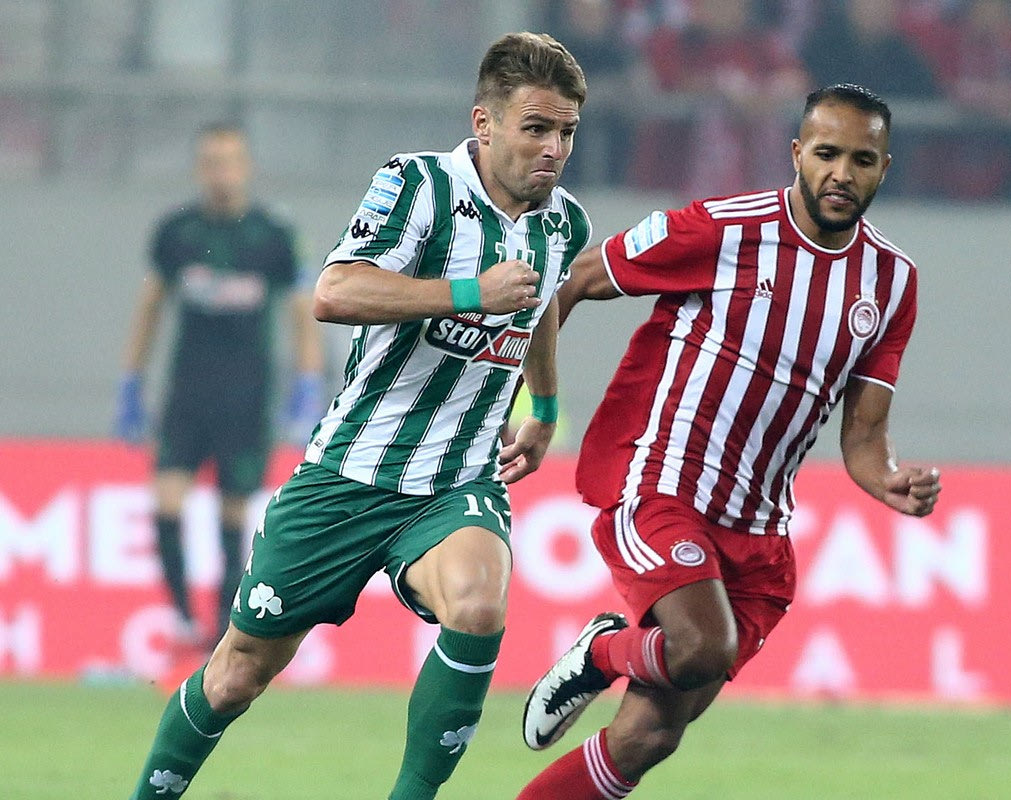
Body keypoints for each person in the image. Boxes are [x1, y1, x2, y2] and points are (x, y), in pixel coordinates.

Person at [126, 31, 591, 800]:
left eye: (567, 132)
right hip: (348, 473)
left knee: (479, 605)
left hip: (456, 481)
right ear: (484, 123)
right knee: (236, 676)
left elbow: (541, 304)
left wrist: (541, 403)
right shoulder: (417, 185)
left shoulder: (563, 223)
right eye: (536, 128)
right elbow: (335, 291)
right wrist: (468, 292)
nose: (554, 149)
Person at [518, 84, 942, 800]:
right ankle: (602, 653)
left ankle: (608, 666)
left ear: (885, 168)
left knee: (650, 735)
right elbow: (574, 280)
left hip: (759, 532)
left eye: (862, 160)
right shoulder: (725, 229)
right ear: (797, 153)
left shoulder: (893, 282)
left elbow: (865, 436)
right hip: (663, 485)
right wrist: (539, 405)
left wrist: (890, 478)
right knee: (698, 647)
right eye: (827, 154)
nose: (842, 173)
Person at [115, 123, 326, 650]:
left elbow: (301, 313)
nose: (221, 173)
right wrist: (131, 379)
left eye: (230, 161)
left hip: (246, 398)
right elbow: (150, 306)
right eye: (211, 162)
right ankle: (183, 616)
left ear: (247, 167)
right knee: (166, 503)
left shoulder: (273, 236)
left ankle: (219, 634)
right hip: (187, 395)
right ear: (198, 168)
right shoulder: (177, 232)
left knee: (234, 514)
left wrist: (307, 384)